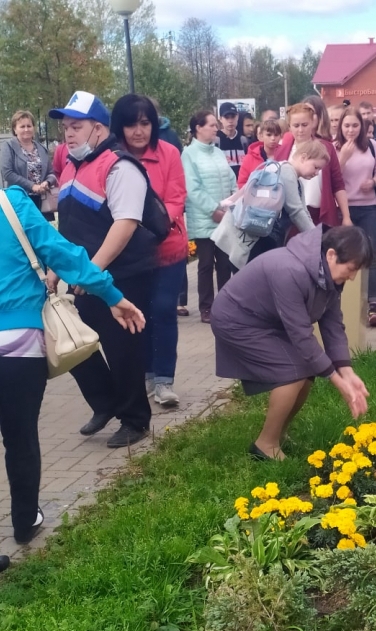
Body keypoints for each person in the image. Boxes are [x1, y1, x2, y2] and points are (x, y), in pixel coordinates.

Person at [0, 128, 144, 590]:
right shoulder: (12, 204)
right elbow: (66, 255)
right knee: (20, 437)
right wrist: (113, 296)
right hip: (18, 346)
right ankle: (24, 521)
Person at [48, 90, 158, 448]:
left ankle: (135, 420)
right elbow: (68, 227)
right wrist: (56, 268)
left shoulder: (120, 166)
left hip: (124, 274)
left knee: (123, 349)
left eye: (76, 126)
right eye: (66, 127)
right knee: (77, 344)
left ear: (98, 128)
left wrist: (91, 272)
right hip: (86, 276)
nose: (68, 133)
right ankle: (106, 402)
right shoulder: (70, 167)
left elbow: (125, 224)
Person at [211, 225, 372, 460]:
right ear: (331, 255)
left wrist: (347, 372)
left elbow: (333, 324)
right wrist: (337, 381)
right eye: (351, 269)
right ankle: (265, 445)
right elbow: (301, 335)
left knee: (306, 370)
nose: (352, 276)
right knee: (293, 372)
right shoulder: (290, 270)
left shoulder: (326, 274)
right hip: (237, 320)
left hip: (267, 321)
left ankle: (277, 436)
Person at [112, 94, 188, 408]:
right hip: (130, 253)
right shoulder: (113, 157)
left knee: (164, 311)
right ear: (120, 127)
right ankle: (145, 374)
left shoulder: (169, 152)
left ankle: (164, 381)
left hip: (168, 245)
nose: (139, 131)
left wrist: (153, 227)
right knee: (138, 313)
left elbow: (176, 197)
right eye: (131, 124)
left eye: (145, 123)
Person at [213, 140, 323, 267]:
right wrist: (317, 242)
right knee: (251, 283)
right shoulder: (287, 172)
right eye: (316, 167)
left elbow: (304, 211)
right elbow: (296, 212)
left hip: (252, 235)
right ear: (303, 158)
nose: (317, 173)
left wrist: (316, 236)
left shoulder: (292, 176)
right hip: (252, 240)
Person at [183, 109, 238, 324]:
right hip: (204, 218)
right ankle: (206, 307)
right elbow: (192, 188)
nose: (217, 128)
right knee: (205, 264)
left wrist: (233, 202)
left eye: (217, 125)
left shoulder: (217, 151)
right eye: (212, 125)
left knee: (225, 263)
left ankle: (225, 305)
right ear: (198, 128)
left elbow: (230, 178)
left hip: (225, 217)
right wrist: (212, 210)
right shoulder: (188, 154)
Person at [335, 106, 376, 326]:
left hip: (369, 208)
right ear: (340, 126)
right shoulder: (334, 147)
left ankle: (373, 306)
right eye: (346, 125)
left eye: (355, 125)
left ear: (362, 126)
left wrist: (373, 182)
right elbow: (329, 175)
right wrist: (343, 158)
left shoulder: (372, 146)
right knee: (343, 256)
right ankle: (342, 303)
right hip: (343, 208)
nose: (351, 129)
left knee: (371, 256)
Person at [274, 101, 351, 229]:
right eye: (296, 125)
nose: (300, 130)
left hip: (322, 213)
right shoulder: (282, 151)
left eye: (304, 125)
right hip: (291, 217)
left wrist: (346, 216)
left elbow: (338, 183)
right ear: (289, 126)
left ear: (313, 123)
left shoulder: (326, 147)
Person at [1, 110, 57, 221]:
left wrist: (47, 182)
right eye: (22, 126)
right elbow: (7, 173)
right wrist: (32, 186)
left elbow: (51, 173)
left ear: (34, 128)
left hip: (41, 200)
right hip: (20, 200)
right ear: (14, 129)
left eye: (29, 126)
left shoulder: (41, 149)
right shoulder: (8, 147)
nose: (26, 129)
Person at [238, 118, 282, 188]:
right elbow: (242, 183)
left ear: (280, 136)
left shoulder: (286, 154)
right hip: (256, 197)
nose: (273, 138)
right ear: (261, 136)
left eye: (276, 135)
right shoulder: (249, 158)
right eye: (269, 135)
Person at [216, 102, 248, 179]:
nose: (230, 121)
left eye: (233, 117)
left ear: (237, 117)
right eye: (227, 117)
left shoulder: (243, 140)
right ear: (220, 119)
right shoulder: (216, 140)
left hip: (241, 184)